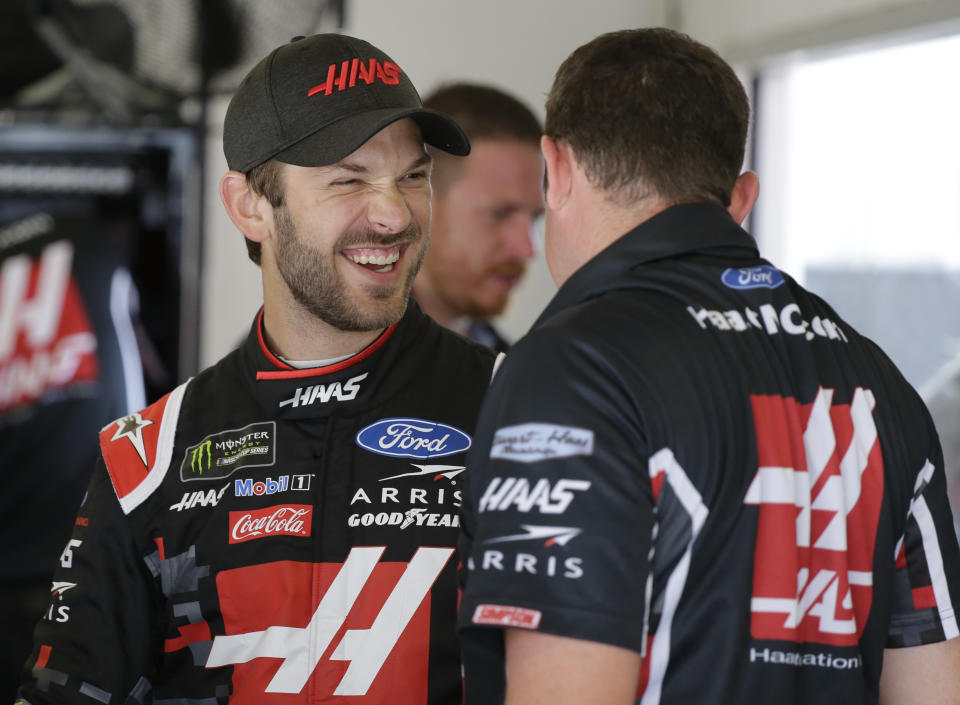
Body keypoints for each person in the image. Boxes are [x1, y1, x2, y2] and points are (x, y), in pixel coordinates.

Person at [457, 27, 960, 705]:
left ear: (559, 166)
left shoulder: (573, 369)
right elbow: (934, 688)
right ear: (741, 198)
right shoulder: (881, 382)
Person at [16, 33, 497, 705]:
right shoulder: (149, 456)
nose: (394, 215)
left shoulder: (520, 408)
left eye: (413, 176)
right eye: (348, 180)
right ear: (250, 205)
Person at [412, 83, 543, 352]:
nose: (527, 249)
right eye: (500, 214)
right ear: (418, 203)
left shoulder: (507, 371)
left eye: (535, 219)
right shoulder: (331, 367)